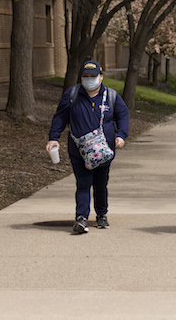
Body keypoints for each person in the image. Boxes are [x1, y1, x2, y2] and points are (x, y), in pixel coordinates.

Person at [47, 60, 130, 234]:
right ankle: (81, 218)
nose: (89, 79)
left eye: (93, 76)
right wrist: (53, 138)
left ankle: (101, 214)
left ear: (101, 77)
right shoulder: (72, 94)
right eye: (86, 76)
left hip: (103, 151)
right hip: (79, 150)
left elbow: (123, 116)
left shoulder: (112, 96)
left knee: (100, 184)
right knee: (83, 183)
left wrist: (121, 136)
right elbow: (60, 117)